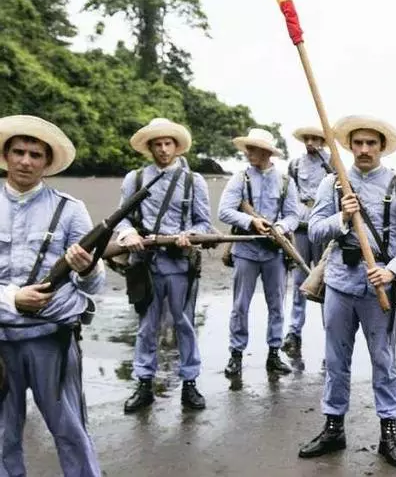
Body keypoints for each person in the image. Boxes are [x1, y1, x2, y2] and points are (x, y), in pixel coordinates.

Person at [298, 115, 396, 468]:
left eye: (371, 143)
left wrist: (392, 271)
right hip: (339, 282)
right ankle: (333, 428)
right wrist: (341, 217)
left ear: (382, 147)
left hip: (379, 287)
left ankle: (388, 433)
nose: (365, 149)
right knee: (335, 360)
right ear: (349, 146)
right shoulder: (333, 183)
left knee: (383, 362)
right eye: (358, 143)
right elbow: (314, 230)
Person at [0, 115, 104, 475]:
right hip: (1, 342)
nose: (25, 161)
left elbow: (94, 286)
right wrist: (12, 300)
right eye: (18, 152)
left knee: (70, 430)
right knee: (2, 436)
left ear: (47, 162)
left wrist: (87, 269)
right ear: (6, 156)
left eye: (35, 155)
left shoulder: (70, 209)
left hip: (52, 340)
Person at [115, 117, 213, 413]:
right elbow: (121, 218)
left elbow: (203, 223)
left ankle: (190, 383)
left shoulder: (194, 181)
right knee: (146, 326)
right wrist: (130, 234)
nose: (163, 149)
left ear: (176, 146)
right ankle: (144, 382)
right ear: (150, 148)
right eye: (157, 144)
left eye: (167, 143)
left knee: (185, 324)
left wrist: (189, 236)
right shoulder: (135, 179)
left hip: (181, 265)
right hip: (146, 263)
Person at [218, 128, 301, 377]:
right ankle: (236, 354)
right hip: (245, 249)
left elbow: (293, 215)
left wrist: (280, 228)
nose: (248, 153)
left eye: (253, 149)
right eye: (248, 148)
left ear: (266, 152)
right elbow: (224, 211)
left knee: (276, 305)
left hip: (275, 252)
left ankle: (274, 354)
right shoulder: (239, 178)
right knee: (240, 305)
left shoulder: (285, 181)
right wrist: (250, 221)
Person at [282, 126, 334, 360]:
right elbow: (289, 195)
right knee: (299, 281)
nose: (311, 142)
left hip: (323, 227)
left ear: (323, 141)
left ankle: (331, 334)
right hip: (301, 226)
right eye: (307, 139)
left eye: (315, 139)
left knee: (325, 280)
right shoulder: (295, 165)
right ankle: (294, 333)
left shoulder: (332, 163)